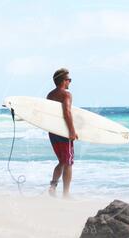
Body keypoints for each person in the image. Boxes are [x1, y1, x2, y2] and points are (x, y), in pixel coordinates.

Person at [47, 68, 78, 198]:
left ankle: (52, 188)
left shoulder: (50, 95)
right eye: (69, 80)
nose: (70, 82)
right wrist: (72, 130)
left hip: (53, 131)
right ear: (63, 81)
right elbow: (67, 112)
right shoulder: (66, 94)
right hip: (64, 132)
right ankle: (66, 194)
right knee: (68, 162)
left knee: (62, 161)